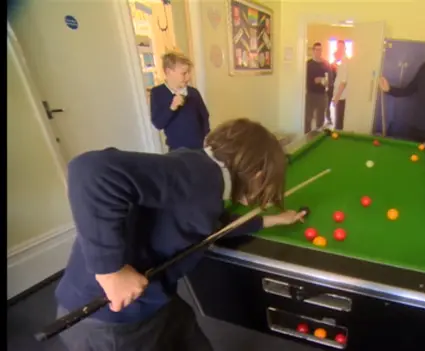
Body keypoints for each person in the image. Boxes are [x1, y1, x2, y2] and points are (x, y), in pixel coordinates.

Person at [54, 118, 307, 351]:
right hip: (110, 321)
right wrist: (111, 272)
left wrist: (268, 221)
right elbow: (90, 171)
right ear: (257, 174)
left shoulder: (205, 174)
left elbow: (208, 225)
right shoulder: (198, 174)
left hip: (155, 300)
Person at [150, 52, 210, 151]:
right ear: (169, 72)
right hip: (177, 150)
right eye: (184, 73)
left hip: (199, 148)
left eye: (189, 73)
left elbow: (204, 117)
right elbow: (158, 123)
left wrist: (206, 138)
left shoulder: (193, 92)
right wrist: (172, 107)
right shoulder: (157, 93)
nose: (188, 77)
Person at [305, 42, 330, 133]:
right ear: (313, 51)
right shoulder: (308, 64)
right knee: (308, 118)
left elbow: (329, 79)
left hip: (322, 95)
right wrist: (316, 80)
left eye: (320, 50)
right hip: (311, 94)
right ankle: (306, 137)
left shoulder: (325, 64)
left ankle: (318, 136)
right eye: (317, 50)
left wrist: (326, 82)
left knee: (320, 119)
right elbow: (306, 80)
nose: (319, 52)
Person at [331, 40, 349, 130]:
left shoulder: (345, 62)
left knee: (339, 123)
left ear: (344, 49)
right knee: (338, 121)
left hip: (341, 98)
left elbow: (343, 82)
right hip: (340, 97)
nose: (338, 50)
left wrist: (336, 98)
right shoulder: (342, 62)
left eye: (341, 48)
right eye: (338, 47)